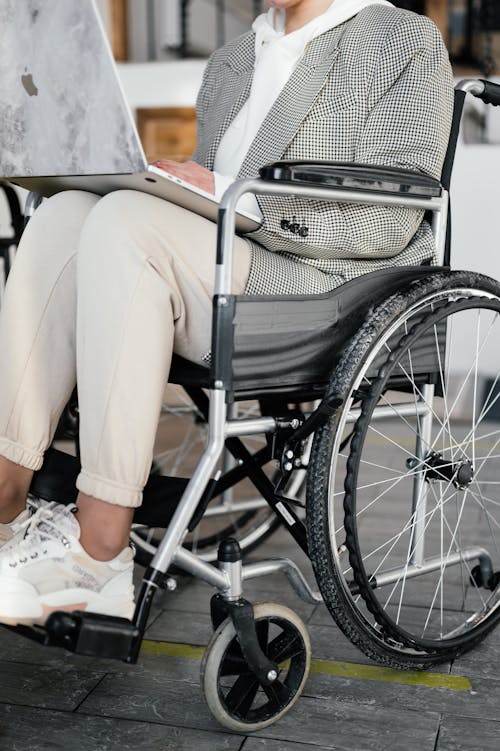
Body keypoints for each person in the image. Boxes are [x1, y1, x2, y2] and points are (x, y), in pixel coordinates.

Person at [0, 0, 454, 625]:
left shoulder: (400, 39)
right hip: (222, 265)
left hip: (326, 286)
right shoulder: (232, 60)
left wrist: (242, 200)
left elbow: (392, 214)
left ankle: (99, 550)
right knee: (65, 214)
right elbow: (209, 201)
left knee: (125, 223)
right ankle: (6, 493)